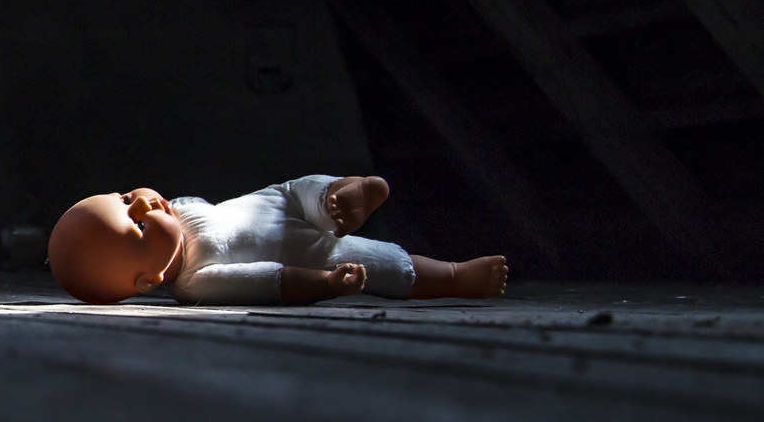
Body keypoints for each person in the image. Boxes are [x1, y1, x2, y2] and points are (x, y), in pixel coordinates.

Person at [47, 174, 508, 306]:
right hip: (315, 255)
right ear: (150, 279)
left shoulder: (178, 208)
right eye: (139, 226)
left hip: (276, 204)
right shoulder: (197, 282)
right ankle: (454, 276)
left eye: (127, 196)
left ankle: (341, 196)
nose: (145, 205)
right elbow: (269, 280)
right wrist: (325, 282)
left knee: (305, 191)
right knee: (386, 265)